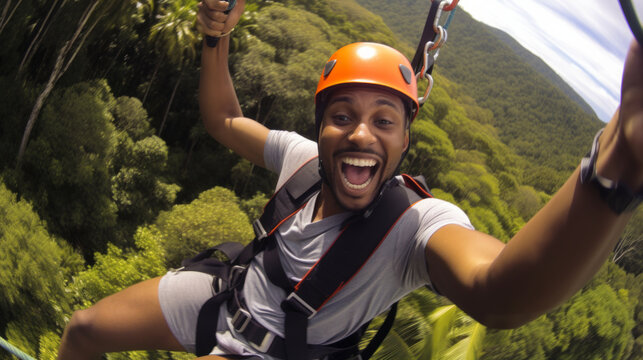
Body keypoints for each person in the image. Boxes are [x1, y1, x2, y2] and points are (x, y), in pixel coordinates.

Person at [57, 0, 643, 359]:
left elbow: (500, 291)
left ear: (405, 141)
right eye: (342, 117)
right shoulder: (302, 159)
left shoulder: (416, 226)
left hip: (284, 351)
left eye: (384, 121)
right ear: (322, 129)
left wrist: (614, 164)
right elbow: (223, 119)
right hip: (226, 297)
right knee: (82, 330)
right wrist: (217, 36)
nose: (362, 134)